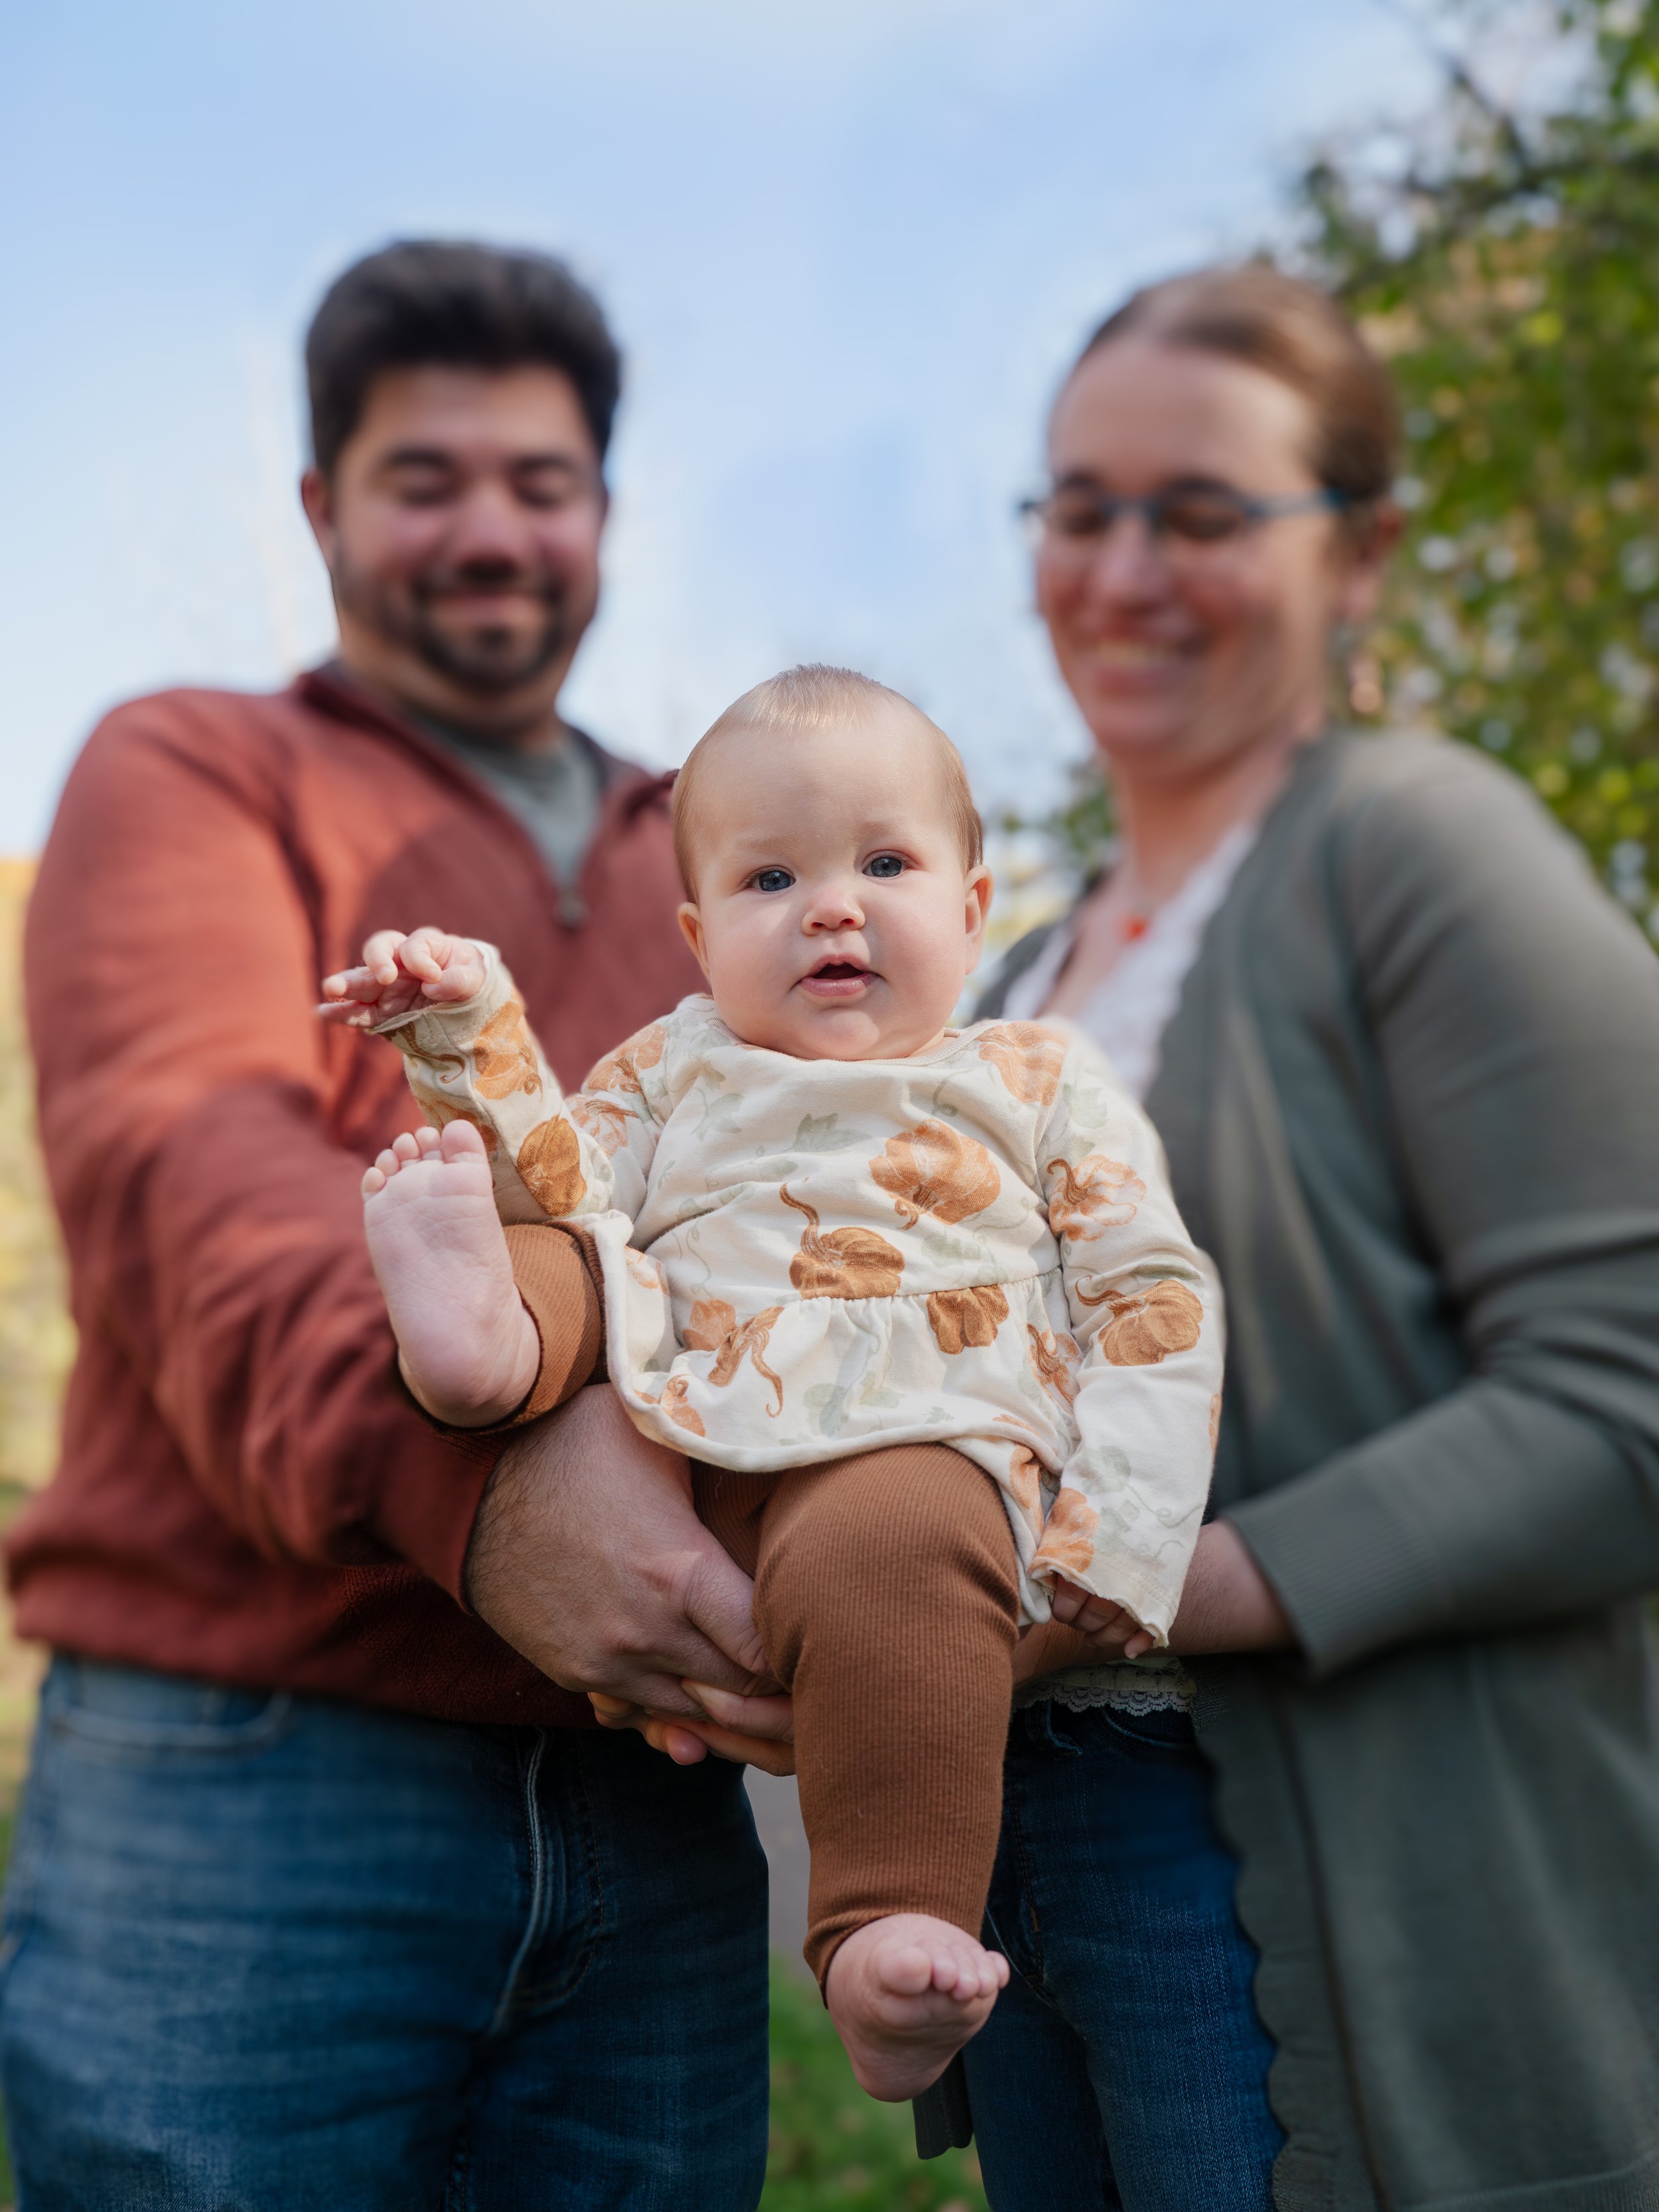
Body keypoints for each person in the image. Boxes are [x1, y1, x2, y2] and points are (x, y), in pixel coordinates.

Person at [0, 240, 788, 2211]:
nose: (490, 530)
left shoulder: (721, 843)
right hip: (260, 1775)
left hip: (651, 1794)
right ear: (320, 506)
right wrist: (490, 1493)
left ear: (602, 511)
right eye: (424, 477)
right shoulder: (193, 767)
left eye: (540, 481)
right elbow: (203, 1183)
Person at [958, 263, 1659, 2211]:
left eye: (1199, 514)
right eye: (1078, 509)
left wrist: (1140, 1589)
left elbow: (1626, 1398)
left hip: (1316, 1882)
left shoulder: (1414, 847)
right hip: (1031, 1881)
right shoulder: (1016, 968)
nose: (1122, 571)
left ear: (1355, 553)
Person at [311, 662, 1224, 2100]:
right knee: (567, 1239)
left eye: (883, 861)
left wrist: (1121, 1526)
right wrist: (462, 1029)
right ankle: (478, 1341)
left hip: (901, 1443)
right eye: (770, 877)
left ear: (974, 907)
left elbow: (1150, 1294)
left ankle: (882, 1927)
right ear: (698, 934)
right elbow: (557, 1167)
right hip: (672, 1424)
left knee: (904, 1541)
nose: (832, 904)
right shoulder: (677, 1065)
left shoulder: (1038, 1077)